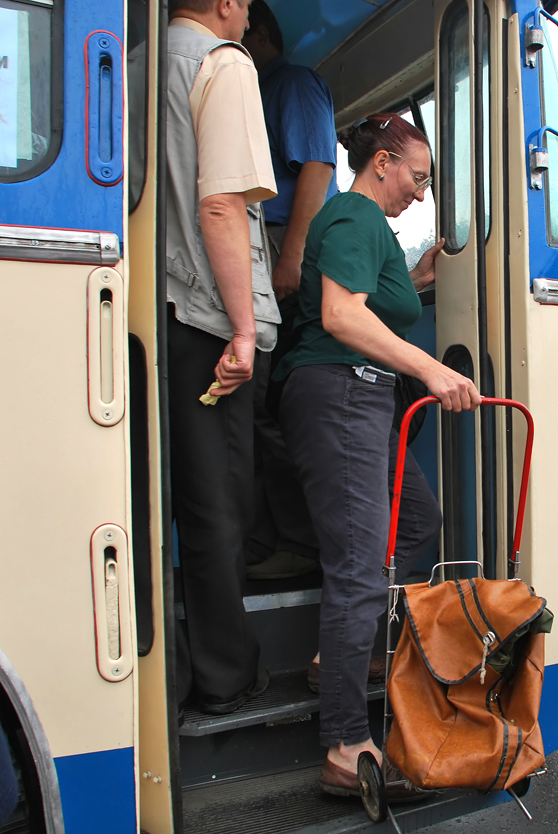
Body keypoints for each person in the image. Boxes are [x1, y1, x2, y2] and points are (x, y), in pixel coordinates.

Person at [274, 113, 481, 797]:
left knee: (418, 521)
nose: (421, 193)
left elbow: (371, 303)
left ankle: (340, 651)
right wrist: (430, 368)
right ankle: (343, 745)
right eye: (418, 178)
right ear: (384, 161)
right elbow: (340, 314)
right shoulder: (352, 216)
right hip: (338, 393)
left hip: (360, 399)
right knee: (360, 567)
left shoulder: (371, 231)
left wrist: (417, 280)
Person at [166, 0, 278, 714]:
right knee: (220, 506)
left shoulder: (146, 61)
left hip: (165, 311)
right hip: (210, 320)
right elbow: (221, 205)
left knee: (183, 499)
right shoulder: (223, 64)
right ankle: (224, 678)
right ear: (230, 5)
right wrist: (243, 329)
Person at [242, 0, 340, 579]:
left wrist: (292, 257)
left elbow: (317, 168)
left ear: (255, 30)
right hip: (268, 239)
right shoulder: (259, 88)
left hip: (283, 242)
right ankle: (269, 538)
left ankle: (300, 543)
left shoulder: (292, 84)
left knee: (270, 401)